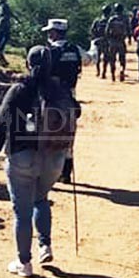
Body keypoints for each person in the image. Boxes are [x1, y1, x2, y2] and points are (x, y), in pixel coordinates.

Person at [0, 46, 80, 277]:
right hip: (54, 158)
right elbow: (76, 112)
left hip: (22, 157)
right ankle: (45, 245)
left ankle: (24, 263)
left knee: (22, 212)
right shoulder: (61, 89)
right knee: (41, 198)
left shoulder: (18, 90)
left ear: (27, 64)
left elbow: (1, 124)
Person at [43, 18, 82, 183]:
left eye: (50, 32)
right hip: (70, 96)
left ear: (54, 33)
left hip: (51, 96)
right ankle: (66, 172)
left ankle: (47, 173)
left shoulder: (49, 51)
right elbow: (90, 59)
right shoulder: (75, 49)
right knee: (68, 133)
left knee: (44, 132)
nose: (48, 34)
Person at [106, 3, 130, 82]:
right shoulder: (125, 19)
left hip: (112, 41)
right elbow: (129, 30)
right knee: (122, 58)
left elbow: (107, 31)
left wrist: (108, 39)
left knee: (112, 59)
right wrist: (129, 38)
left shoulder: (112, 19)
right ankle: (122, 70)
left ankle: (113, 74)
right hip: (121, 41)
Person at [0, 0, 19, 66]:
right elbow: (10, 13)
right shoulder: (5, 5)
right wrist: (17, 19)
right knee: (6, 37)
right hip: (4, 22)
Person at [90, 5, 111, 78]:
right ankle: (103, 73)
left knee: (98, 57)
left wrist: (95, 38)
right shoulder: (110, 20)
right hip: (107, 41)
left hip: (98, 41)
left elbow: (92, 30)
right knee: (106, 57)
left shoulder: (97, 20)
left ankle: (98, 71)